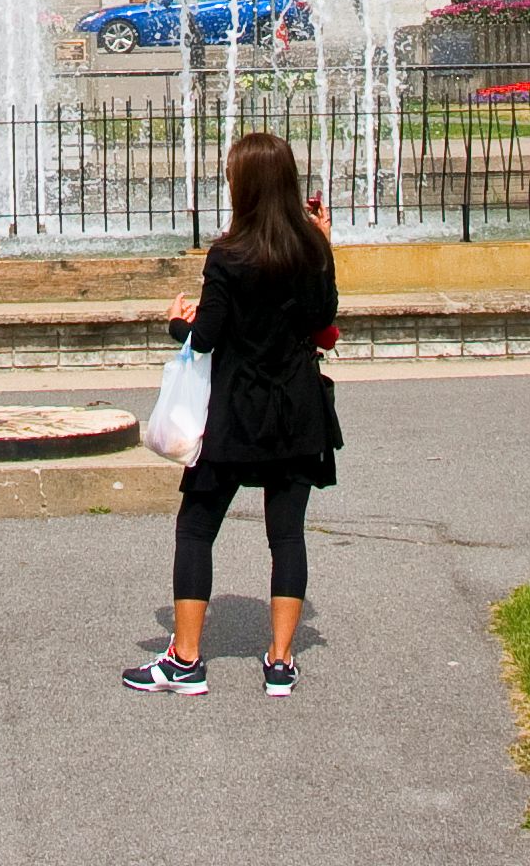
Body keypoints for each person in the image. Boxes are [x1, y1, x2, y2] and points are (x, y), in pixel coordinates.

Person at [128, 131, 341, 697]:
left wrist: (176, 320)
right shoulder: (309, 250)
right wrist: (324, 247)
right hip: (297, 406)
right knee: (287, 534)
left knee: (197, 527)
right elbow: (325, 321)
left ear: (241, 186)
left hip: (234, 409)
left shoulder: (228, 255)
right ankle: (279, 660)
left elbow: (206, 338)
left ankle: (187, 660)